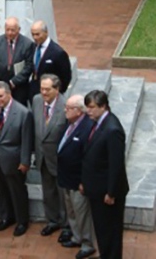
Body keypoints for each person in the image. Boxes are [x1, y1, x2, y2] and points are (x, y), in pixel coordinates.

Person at [80, 90, 129, 259]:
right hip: (96, 188)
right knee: (102, 228)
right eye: (87, 107)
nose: (88, 111)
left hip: (107, 192)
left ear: (103, 106)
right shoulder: (98, 122)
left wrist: (111, 192)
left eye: (92, 107)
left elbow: (116, 165)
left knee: (110, 230)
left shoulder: (112, 129)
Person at [0, 81, 33, 237]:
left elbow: (27, 140)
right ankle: (6, 216)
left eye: (0, 96)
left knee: (17, 192)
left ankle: (22, 221)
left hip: (14, 159)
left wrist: (25, 161)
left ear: (9, 94)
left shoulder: (23, 112)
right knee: (1, 190)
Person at [57, 94, 96, 259]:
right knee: (71, 211)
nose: (65, 110)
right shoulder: (71, 123)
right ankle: (77, 236)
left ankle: (88, 244)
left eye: (69, 108)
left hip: (77, 180)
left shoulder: (87, 128)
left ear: (79, 111)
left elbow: (88, 159)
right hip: (66, 178)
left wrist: (83, 181)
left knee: (82, 213)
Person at [32, 74, 67, 237]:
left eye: (47, 89)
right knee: (48, 192)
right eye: (41, 89)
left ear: (57, 89)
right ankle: (52, 220)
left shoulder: (66, 106)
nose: (43, 93)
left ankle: (67, 225)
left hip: (60, 160)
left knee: (64, 196)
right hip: (42, 157)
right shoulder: (36, 100)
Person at [0, 16, 35, 105]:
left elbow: (29, 66)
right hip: (0, 84)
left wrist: (13, 81)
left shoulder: (27, 44)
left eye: (13, 30)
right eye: (7, 30)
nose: (10, 33)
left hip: (19, 86)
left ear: (19, 29)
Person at [29, 20, 71, 99]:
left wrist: (57, 93)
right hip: (35, 92)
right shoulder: (33, 47)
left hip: (51, 94)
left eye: (38, 34)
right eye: (33, 34)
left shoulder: (58, 53)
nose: (35, 37)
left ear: (46, 32)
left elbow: (66, 76)